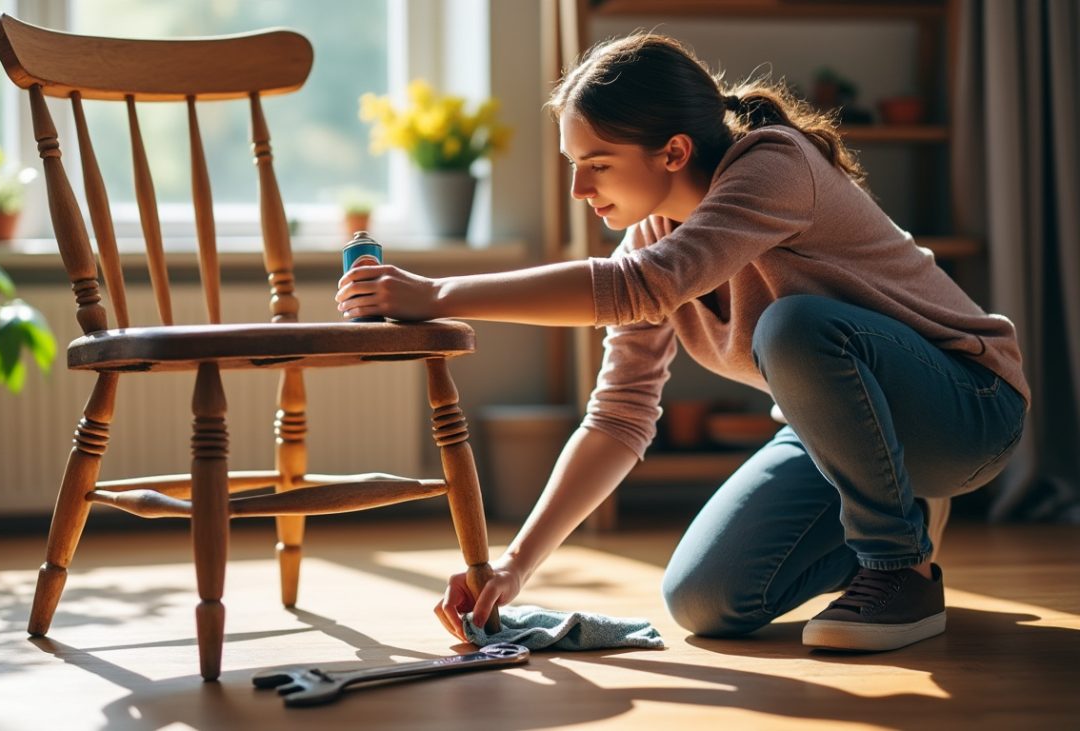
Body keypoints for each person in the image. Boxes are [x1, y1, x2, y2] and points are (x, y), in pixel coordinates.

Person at [335, 33, 1028, 652]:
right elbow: (617, 417)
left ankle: (897, 569)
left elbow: (645, 286)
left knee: (794, 324)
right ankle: (903, 523)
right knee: (703, 600)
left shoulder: (773, 165)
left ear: (674, 152)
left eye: (597, 163)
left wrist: (441, 295)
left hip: (969, 409)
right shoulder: (652, 241)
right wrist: (516, 565)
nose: (579, 188)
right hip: (836, 436)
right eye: (573, 163)